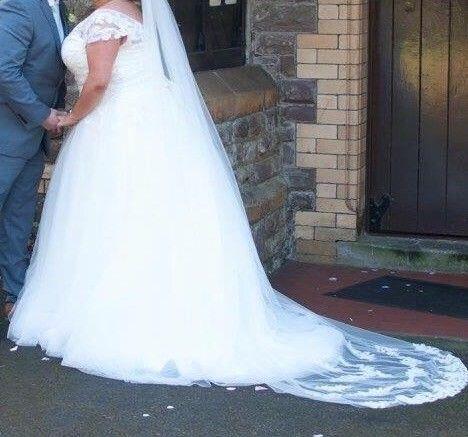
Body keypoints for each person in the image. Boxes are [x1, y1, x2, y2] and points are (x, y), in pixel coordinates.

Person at [7, 0, 468, 408]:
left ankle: (117, 316)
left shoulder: (107, 19)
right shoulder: (133, 14)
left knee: (116, 222)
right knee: (139, 221)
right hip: (140, 130)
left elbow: (100, 82)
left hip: (114, 131)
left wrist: (71, 118)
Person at [0, 0, 69, 318]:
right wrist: (43, 115)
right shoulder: (18, 4)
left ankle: (16, 299)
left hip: (32, 139)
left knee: (18, 221)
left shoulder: (58, 6)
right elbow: (4, 70)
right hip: (8, 134)